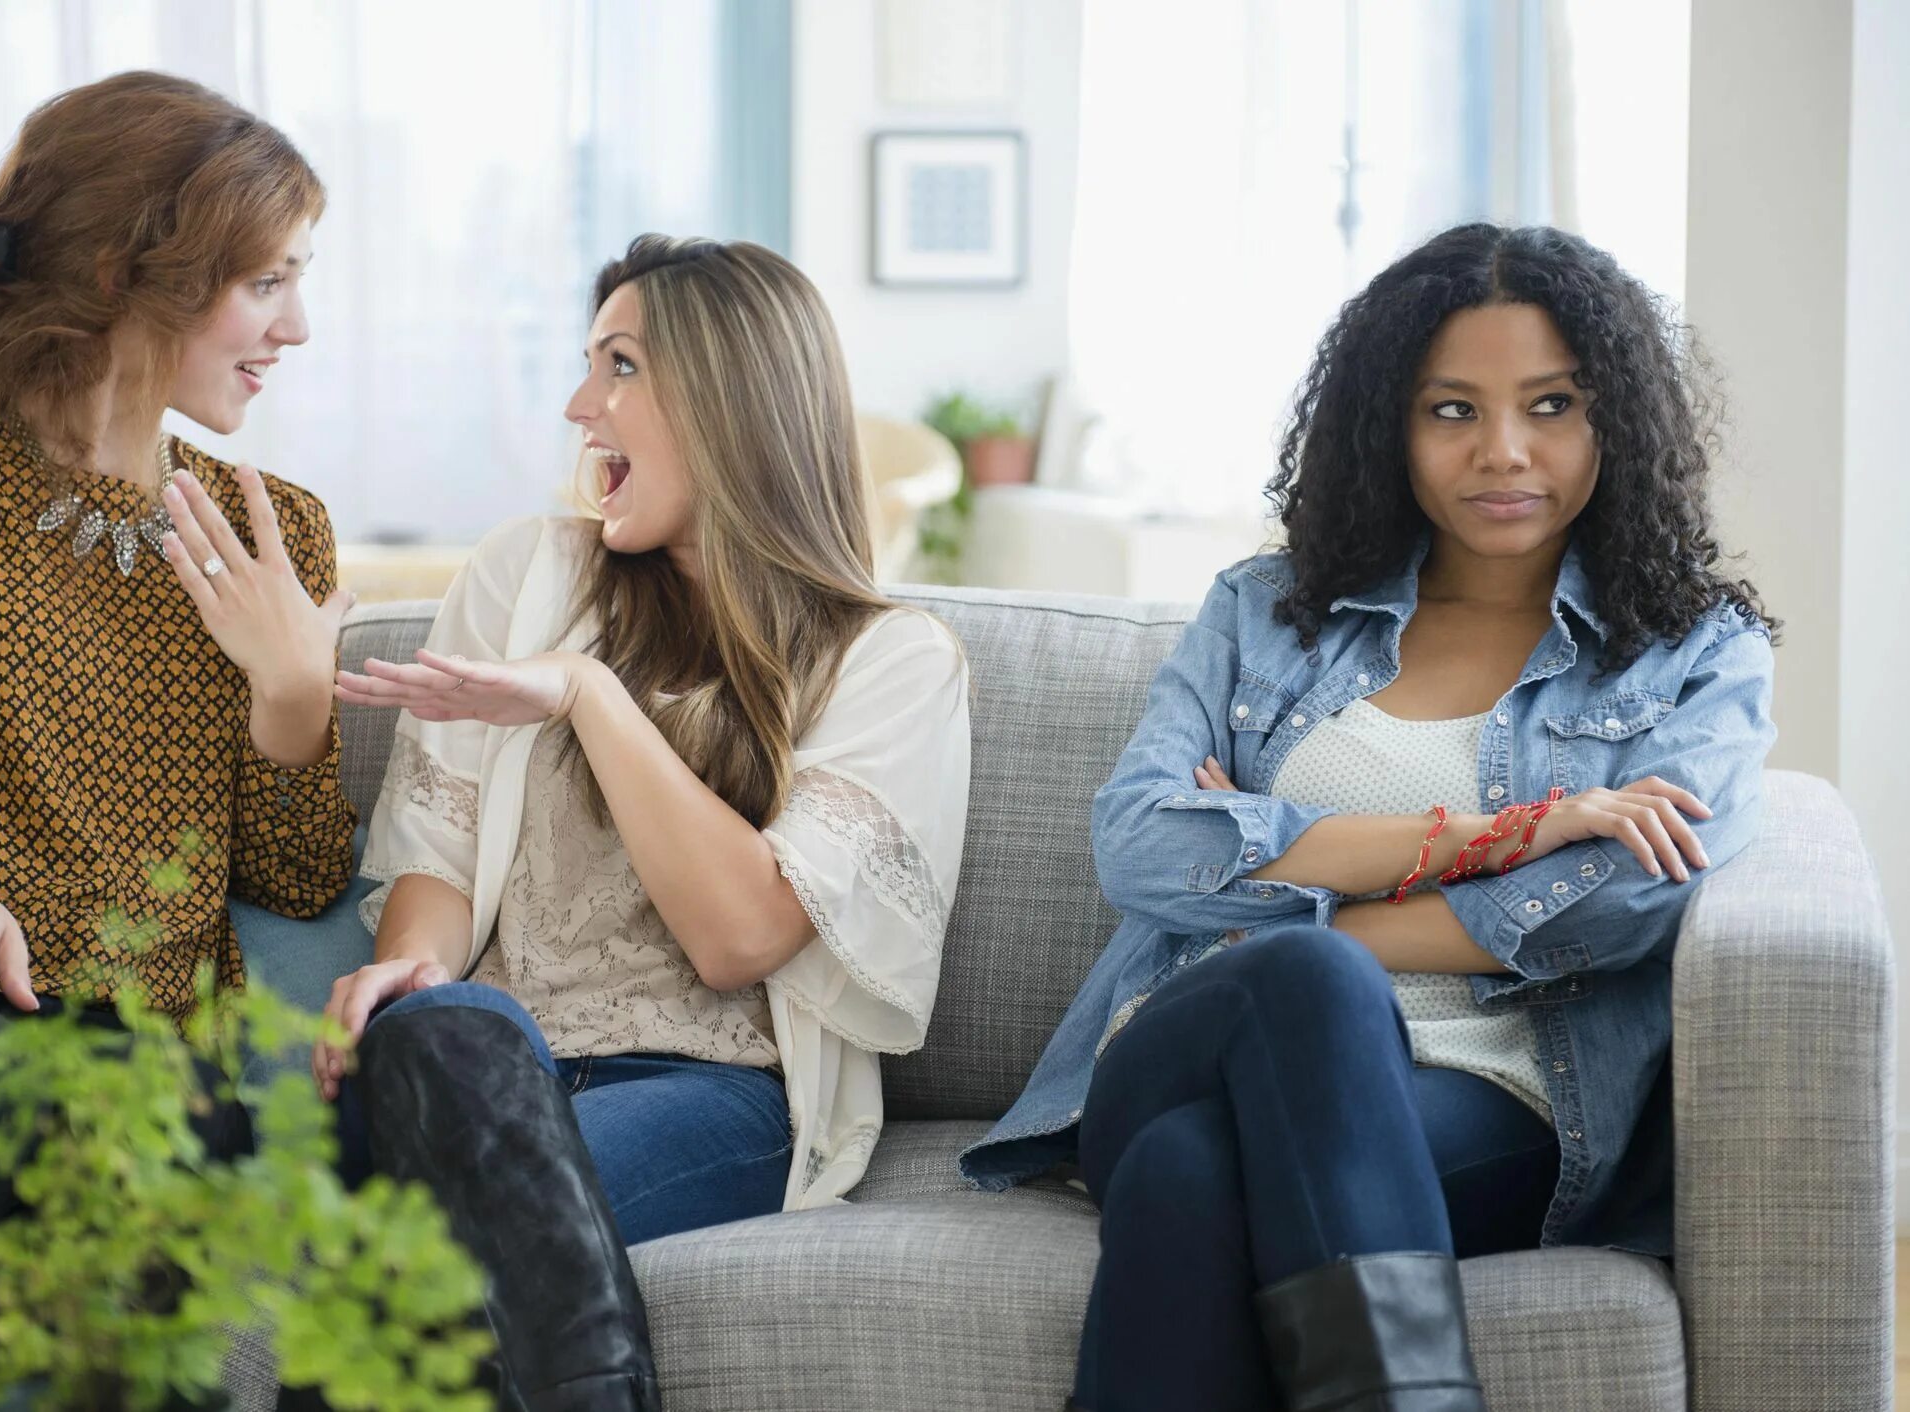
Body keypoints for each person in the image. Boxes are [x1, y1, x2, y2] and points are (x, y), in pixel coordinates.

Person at [960, 223, 1778, 1412]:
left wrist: (1298, 903)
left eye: (1550, 404)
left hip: (1495, 1093)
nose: (1503, 451)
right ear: (1385, 425)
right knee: (1303, 993)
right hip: (1183, 1042)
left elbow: (1628, 893)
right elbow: (1138, 843)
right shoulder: (1263, 612)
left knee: (1194, 1172)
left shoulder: (1696, 653)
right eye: (1451, 410)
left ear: (1617, 421)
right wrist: (1501, 838)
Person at [313, 234, 971, 1410]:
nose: (579, 405)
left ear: (730, 398)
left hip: (703, 1085)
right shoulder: (526, 573)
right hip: (471, 1062)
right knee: (443, 1026)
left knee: (420, 1258)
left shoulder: (891, 661)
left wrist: (589, 693)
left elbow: (739, 936)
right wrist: (403, 974)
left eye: (618, 365)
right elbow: (437, 851)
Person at [0, 71, 354, 1408]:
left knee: (147, 1115)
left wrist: (289, 697)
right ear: (124, 271)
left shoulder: (280, 531)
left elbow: (297, 880)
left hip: (133, 1033)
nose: (299, 326)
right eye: (265, 284)